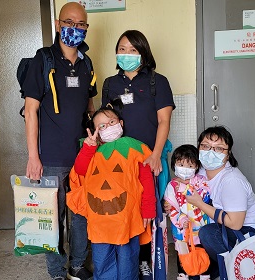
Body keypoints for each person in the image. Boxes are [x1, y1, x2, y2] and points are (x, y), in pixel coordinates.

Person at [21, 2, 95, 279]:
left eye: (80, 24)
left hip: (81, 157)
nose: (74, 28)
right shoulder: (43, 60)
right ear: (57, 24)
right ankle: (56, 271)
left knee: (81, 218)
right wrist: (33, 157)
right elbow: (30, 111)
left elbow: (90, 106)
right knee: (52, 220)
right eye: (69, 22)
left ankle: (77, 266)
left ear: (86, 28)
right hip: (50, 158)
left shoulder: (87, 63)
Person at [101, 29, 175, 279]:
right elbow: (106, 120)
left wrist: (155, 155)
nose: (127, 54)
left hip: (146, 160)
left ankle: (145, 259)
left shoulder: (157, 81)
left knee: (147, 211)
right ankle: (122, 257)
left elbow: (164, 121)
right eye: (122, 49)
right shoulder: (110, 83)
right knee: (122, 210)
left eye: (133, 49)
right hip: (120, 161)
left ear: (143, 53)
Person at [68, 102, 156, 280]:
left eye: (111, 122)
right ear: (95, 131)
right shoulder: (93, 151)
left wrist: (148, 208)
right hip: (100, 220)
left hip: (127, 218)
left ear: (121, 123)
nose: (107, 127)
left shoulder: (136, 148)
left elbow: (147, 181)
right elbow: (80, 170)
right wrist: (89, 147)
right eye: (101, 126)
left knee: (128, 259)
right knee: (102, 259)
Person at [185, 126, 255, 278]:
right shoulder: (201, 172)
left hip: (251, 231)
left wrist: (200, 203)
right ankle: (220, 264)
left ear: (228, 154)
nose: (211, 152)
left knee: (208, 234)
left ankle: (236, 269)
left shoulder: (232, 180)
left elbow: (235, 223)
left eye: (219, 148)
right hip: (223, 226)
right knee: (196, 272)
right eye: (205, 146)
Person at [163, 145, 213, 280]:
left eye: (190, 165)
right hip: (181, 227)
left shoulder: (201, 182)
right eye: (181, 164)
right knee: (183, 251)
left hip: (201, 225)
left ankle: (204, 274)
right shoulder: (171, 186)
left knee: (202, 249)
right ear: (174, 164)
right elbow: (171, 207)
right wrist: (181, 220)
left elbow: (206, 196)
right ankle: (183, 274)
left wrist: (186, 188)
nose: (185, 168)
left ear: (197, 166)